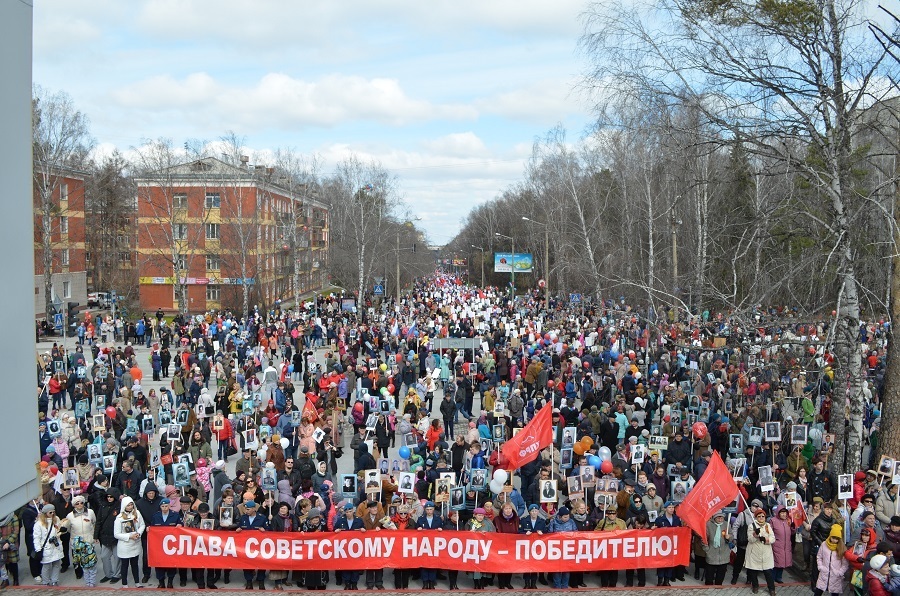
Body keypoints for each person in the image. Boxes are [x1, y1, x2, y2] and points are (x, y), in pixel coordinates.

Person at [113, 496, 146, 588]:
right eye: (128, 505)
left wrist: (138, 533)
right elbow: (116, 534)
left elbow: (142, 525)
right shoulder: (119, 518)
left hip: (135, 543)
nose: (130, 507)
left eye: (131, 505)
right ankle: (124, 583)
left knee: (135, 564)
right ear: (124, 506)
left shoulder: (137, 513)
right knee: (125, 565)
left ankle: (137, 582)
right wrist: (129, 536)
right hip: (125, 545)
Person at [237, 500, 268, 590]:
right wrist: (238, 530)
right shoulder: (243, 518)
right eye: (246, 509)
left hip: (259, 546)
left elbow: (269, 530)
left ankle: (261, 581)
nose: (246, 511)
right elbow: (239, 527)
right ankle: (249, 581)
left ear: (254, 509)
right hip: (246, 546)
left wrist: (264, 530)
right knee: (246, 564)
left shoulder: (262, 518)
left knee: (262, 563)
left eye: (248, 509)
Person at [745, 507, 776, 596]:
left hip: (766, 552)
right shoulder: (752, 526)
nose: (761, 518)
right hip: (754, 552)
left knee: (768, 572)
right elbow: (750, 539)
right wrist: (755, 535)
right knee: (753, 571)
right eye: (759, 516)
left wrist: (766, 540)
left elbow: (773, 538)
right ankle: (755, 586)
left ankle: (772, 589)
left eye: (763, 516)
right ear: (756, 517)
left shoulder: (768, 525)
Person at [32, 504, 65, 586]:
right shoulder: (39, 524)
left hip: (56, 545)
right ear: (45, 513)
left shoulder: (56, 519)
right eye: (50, 512)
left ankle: (55, 580)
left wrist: (61, 532)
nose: (52, 514)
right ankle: (45, 581)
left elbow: (59, 530)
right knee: (46, 566)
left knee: (56, 564)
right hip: (46, 547)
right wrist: (38, 549)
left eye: (54, 512)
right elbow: (36, 538)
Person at [815, 524, 849, 596]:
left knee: (834, 594)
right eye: (833, 538)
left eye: (837, 539)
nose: (834, 540)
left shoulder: (842, 548)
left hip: (836, 576)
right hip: (824, 574)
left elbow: (845, 563)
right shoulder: (824, 544)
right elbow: (819, 556)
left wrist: (840, 572)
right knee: (817, 593)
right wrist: (820, 566)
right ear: (830, 536)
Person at [705, 510, 732, 585]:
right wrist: (707, 549)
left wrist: (729, 537)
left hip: (724, 553)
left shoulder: (727, 525)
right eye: (718, 518)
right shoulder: (709, 525)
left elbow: (732, 536)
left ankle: (718, 586)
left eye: (722, 518)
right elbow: (704, 539)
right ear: (714, 518)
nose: (720, 520)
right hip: (712, 552)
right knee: (709, 575)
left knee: (721, 574)